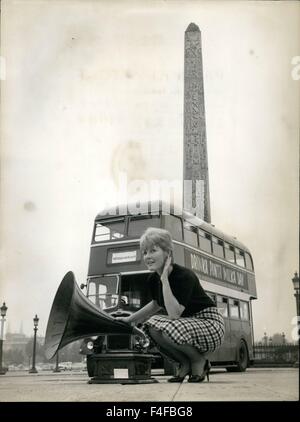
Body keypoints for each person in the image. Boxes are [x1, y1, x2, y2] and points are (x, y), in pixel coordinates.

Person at [115, 227, 225, 383]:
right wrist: (129, 320)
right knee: (151, 327)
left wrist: (165, 280)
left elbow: (174, 315)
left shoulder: (184, 276)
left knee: (168, 329)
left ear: (167, 252)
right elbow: (155, 304)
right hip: (186, 324)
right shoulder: (152, 279)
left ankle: (199, 361)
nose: (147, 257)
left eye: (153, 251)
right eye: (145, 252)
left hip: (209, 323)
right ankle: (185, 363)